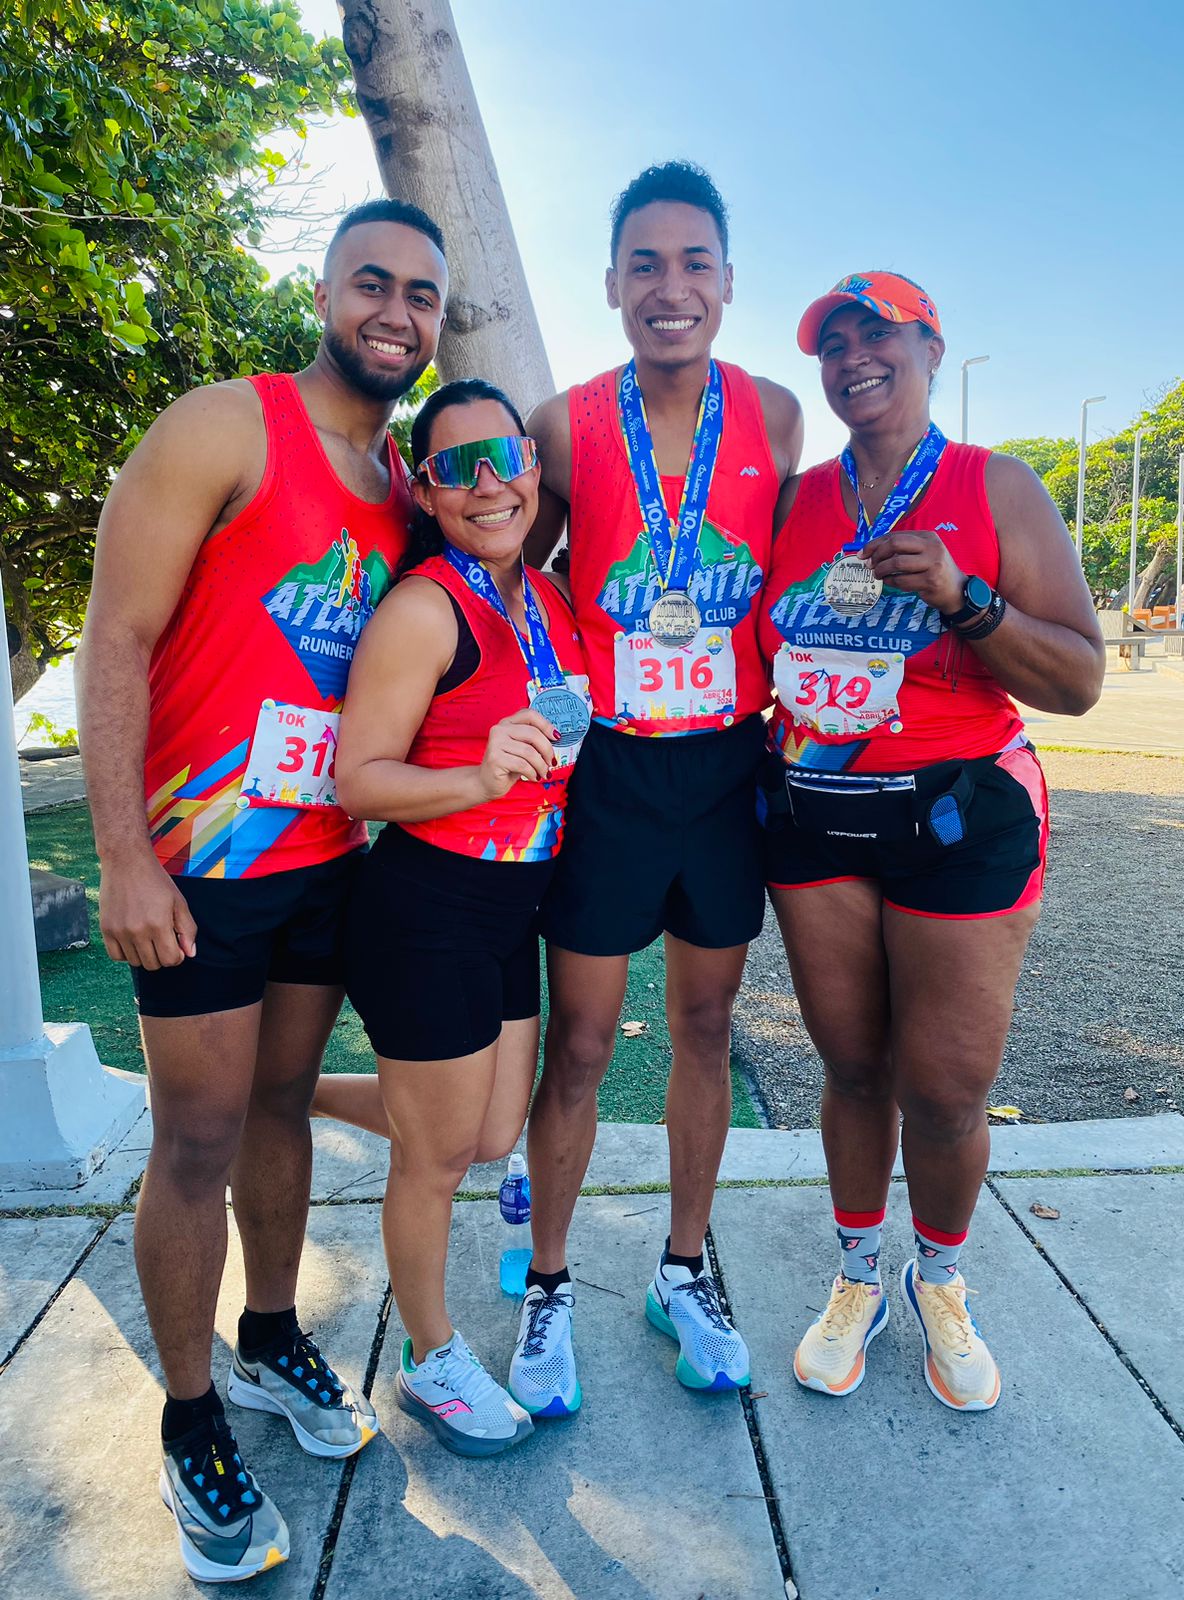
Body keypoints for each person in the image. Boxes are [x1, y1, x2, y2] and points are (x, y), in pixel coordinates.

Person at [77, 199, 448, 1582]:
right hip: (205, 865)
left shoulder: (404, 484)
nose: (395, 313)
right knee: (196, 1139)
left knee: (282, 1108)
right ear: (327, 293)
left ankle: (272, 1334)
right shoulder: (225, 427)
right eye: (372, 283)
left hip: (330, 862)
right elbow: (117, 636)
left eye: (420, 294)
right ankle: (189, 1425)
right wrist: (124, 853)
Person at [757, 271, 1104, 1412]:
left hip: (961, 816)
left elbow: (1079, 679)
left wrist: (965, 597)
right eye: (835, 342)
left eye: (880, 333)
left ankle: (940, 1279)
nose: (855, 355)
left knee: (947, 1090)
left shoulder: (996, 486)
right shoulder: (796, 501)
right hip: (819, 815)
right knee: (853, 1067)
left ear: (931, 349)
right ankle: (859, 1272)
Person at [510, 161, 803, 1415]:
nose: (669, 287)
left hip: (727, 766)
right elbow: (507, 580)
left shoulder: (776, 415)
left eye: (694, 263)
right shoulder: (562, 423)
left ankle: (683, 1268)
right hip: (613, 772)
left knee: (704, 1027)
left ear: (727, 281)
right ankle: (549, 1280)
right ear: (613, 282)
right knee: (580, 1041)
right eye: (646, 263)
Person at [324, 379, 589, 1455]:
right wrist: (477, 776)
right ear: (426, 493)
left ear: (533, 468)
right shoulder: (425, 609)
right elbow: (358, 778)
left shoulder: (550, 599)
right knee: (432, 1163)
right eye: (456, 468)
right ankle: (429, 1361)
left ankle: (284, 1093)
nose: (488, 483)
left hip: (511, 906)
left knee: (486, 1135)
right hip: (427, 907)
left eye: (505, 457)